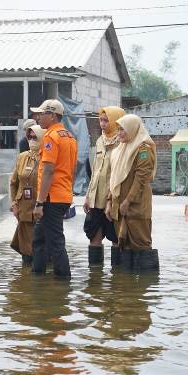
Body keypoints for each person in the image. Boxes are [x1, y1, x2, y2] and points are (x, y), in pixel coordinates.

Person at [30, 99, 78, 279]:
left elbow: (49, 170)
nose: (38, 117)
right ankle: (38, 275)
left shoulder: (51, 137)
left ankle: (62, 281)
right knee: (40, 238)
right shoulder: (70, 136)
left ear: (52, 115)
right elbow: (72, 169)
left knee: (55, 242)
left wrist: (39, 202)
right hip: (63, 195)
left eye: (42, 114)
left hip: (52, 197)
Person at [105, 114, 158, 271]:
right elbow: (113, 178)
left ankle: (145, 289)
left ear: (133, 129)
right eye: (119, 129)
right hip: (119, 208)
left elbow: (141, 179)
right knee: (124, 246)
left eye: (123, 129)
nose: (120, 133)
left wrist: (128, 201)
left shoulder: (143, 149)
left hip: (136, 208)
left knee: (142, 246)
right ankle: (127, 291)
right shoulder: (120, 150)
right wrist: (109, 201)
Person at [83, 106, 125, 266]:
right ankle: (95, 279)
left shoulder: (121, 143)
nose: (102, 124)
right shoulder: (100, 140)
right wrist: (88, 196)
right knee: (94, 235)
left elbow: (118, 174)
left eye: (106, 120)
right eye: (101, 120)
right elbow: (95, 172)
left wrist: (110, 200)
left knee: (115, 237)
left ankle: (118, 278)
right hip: (95, 199)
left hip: (112, 199)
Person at [10, 124, 45, 265]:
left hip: (41, 208)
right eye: (29, 137)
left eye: (35, 137)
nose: (31, 139)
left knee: (41, 245)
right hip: (23, 208)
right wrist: (14, 203)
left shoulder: (47, 157)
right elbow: (14, 182)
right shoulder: (22, 157)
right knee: (25, 249)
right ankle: (26, 280)